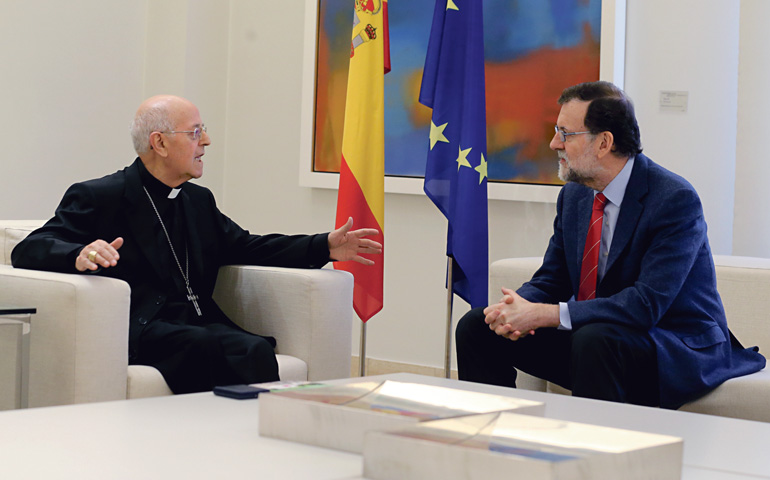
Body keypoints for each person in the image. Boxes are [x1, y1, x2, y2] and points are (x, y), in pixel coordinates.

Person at [12, 95, 382, 394]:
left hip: (196, 320)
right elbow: (30, 247)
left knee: (251, 346)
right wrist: (79, 253)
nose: (205, 141)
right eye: (195, 132)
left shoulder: (196, 200)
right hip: (142, 327)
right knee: (217, 348)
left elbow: (246, 246)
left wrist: (324, 246)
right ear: (159, 142)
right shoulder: (101, 195)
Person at [455, 81, 765, 409]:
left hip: (670, 341)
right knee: (478, 327)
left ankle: (594, 457)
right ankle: (493, 442)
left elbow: (646, 304)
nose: (553, 142)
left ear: (604, 142)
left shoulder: (674, 200)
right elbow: (552, 278)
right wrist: (517, 309)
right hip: (600, 338)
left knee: (594, 340)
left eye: (565, 133)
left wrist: (545, 315)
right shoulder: (574, 195)